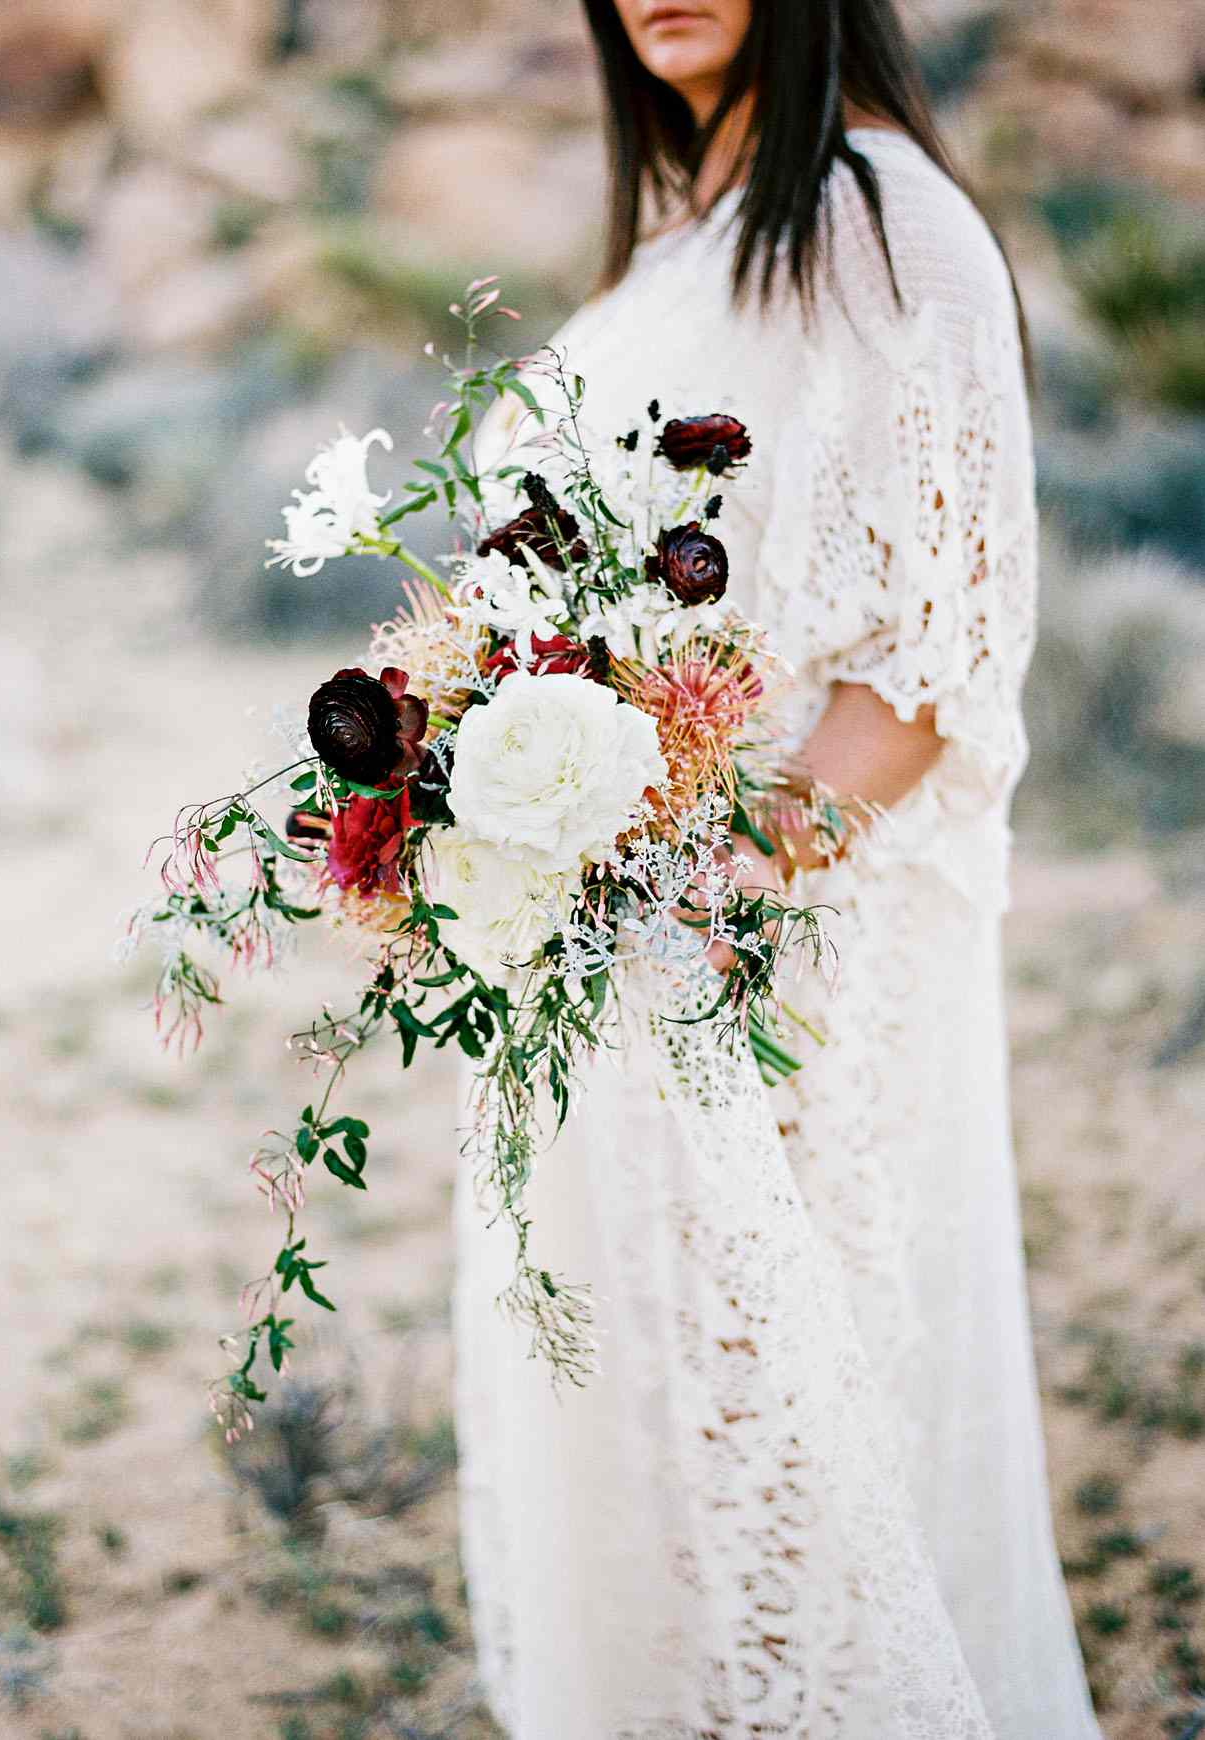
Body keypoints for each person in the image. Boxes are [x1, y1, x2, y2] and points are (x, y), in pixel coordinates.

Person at [452, 3, 1104, 1735]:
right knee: (639, 1422)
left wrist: (707, 893)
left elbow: (939, 658)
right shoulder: (679, 243)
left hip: (780, 956)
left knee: (799, 1436)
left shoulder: (886, 221)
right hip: (593, 955)